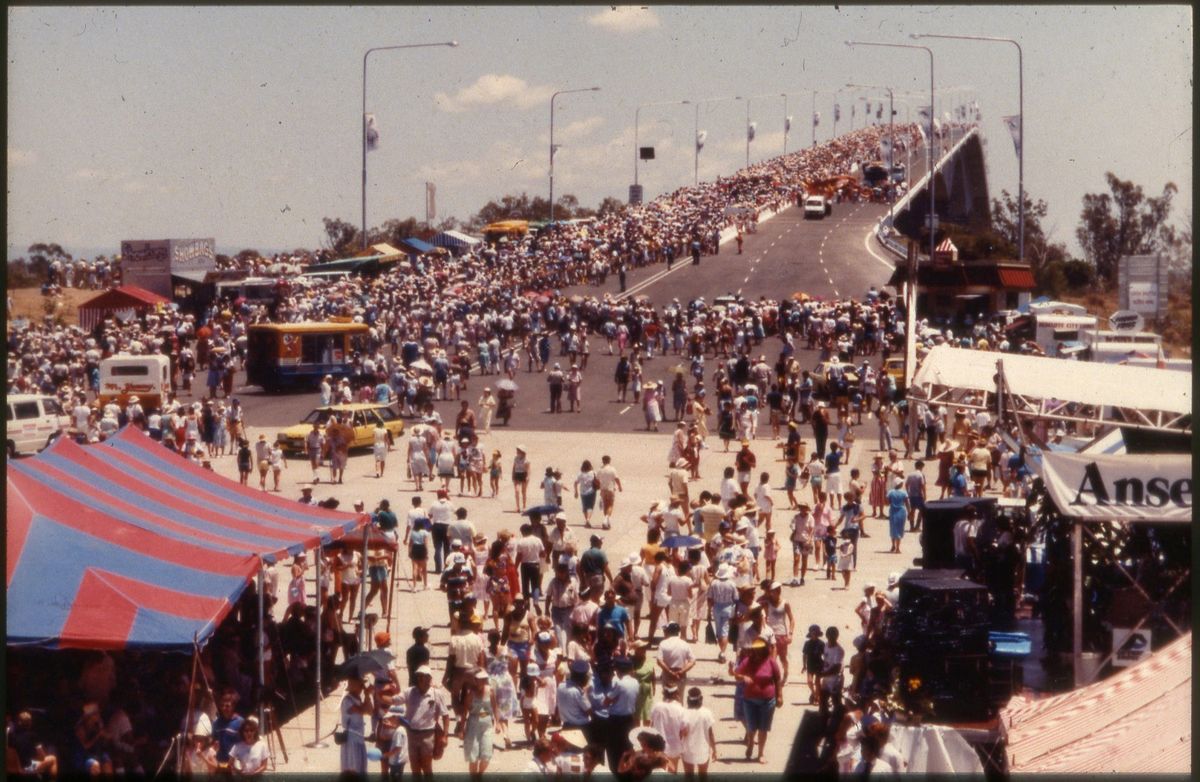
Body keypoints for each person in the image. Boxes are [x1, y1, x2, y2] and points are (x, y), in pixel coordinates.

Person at [733, 637, 782, 764]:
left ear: (765, 649)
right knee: (751, 727)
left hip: (768, 700)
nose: (758, 651)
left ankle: (760, 753)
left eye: (760, 649)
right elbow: (736, 675)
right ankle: (750, 743)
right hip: (749, 699)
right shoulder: (747, 661)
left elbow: (777, 679)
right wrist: (743, 677)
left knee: (763, 728)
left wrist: (780, 696)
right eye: (756, 649)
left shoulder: (771, 662)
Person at [404, 666, 450, 782]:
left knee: (426, 767)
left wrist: (445, 736)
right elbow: (396, 700)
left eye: (422, 676)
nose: (419, 678)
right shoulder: (411, 692)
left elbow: (445, 716)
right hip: (412, 735)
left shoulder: (436, 694)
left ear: (429, 678)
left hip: (428, 735)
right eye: (418, 676)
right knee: (414, 768)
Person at [461, 670, 499, 781]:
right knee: (473, 756)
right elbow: (465, 712)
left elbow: (495, 707)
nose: (481, 682)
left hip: (487, 724)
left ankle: (480, 774)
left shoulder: (490, 691)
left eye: (483, 679)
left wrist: (497, 723)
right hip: (473, 724)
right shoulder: (471, 694)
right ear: (475, 680)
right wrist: (461, 728)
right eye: (479, 680)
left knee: (486, 755)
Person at [679, 687, 717, 781]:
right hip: (703, 749)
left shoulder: (684, 713)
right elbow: (710, 733)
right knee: (703, 777)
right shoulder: (706, 713)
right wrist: (714, 749)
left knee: (689, 777)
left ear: (688, 700)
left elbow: (681, 733)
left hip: (687, 749)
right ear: (701, 699)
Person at [596, 455, 623, 530]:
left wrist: (599, 486)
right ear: (609, 461)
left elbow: (597, 480)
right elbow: (616, 478)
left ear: (603, 461)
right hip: (610, 489)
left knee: (605, 505)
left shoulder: (600, 470)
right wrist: (620, 486)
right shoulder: (612, 469)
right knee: (610, 505)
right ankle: (606, 520)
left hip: (603, 489)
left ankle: (607, 522)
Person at [801, 625, 825, 705]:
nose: (814, 634)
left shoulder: (821, 643)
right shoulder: (807, 643)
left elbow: (825, 655)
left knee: (817, 682)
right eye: (812, 632)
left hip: (819, 664)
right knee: (809, 681)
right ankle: (814, 693)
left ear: (818, 634)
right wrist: (804, 665)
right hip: (810, 664)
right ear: (810, 634)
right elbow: (804, 655)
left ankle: (817, 698)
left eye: (815, 633)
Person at [885, 477, 909, 554]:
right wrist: (910, 512)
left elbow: (887, 503)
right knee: (900, 529)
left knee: (893, 529)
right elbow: (907, 503)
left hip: (892, 511)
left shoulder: (890, 492)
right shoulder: (904, 493)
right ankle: (898, 548)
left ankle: (893, 546)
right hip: (902, 511)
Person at [575, 459, 599, 527]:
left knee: (584, 507)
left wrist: (576, 492)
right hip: (592, 491)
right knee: (590, 506)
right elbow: (598, 480)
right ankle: (588, 519)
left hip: (583, 492)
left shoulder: (580, 474)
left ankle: (586, 520)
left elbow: (575, 483)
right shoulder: (593, 473)